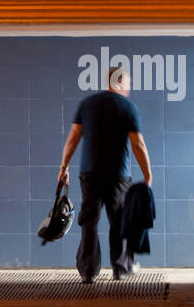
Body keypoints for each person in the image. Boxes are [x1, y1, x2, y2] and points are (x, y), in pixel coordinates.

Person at [57, 66, 154, 283]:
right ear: (119, 81)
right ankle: (120, 268)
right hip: (117, 174)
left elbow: (73, 138)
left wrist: (63, 168)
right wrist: (147, 175)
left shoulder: (87, 104)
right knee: (118, 220)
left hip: (89, 173)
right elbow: (138, 144)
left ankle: (88, 271)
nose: (129, 87)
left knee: (89, 221)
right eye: (128, 83)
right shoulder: (128, 107)